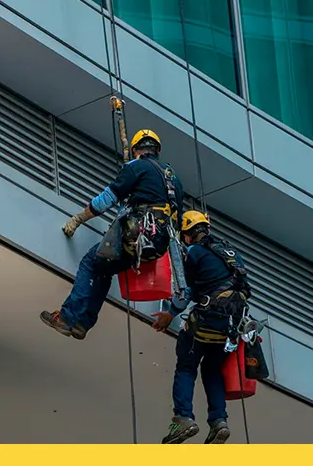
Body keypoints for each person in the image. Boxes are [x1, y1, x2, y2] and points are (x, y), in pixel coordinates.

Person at [40, 129, 184, 340]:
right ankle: (83, 323)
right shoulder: (174, 180)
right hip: (155, 246)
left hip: (133, 238)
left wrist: (78, 219)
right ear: (157, 150)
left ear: (136, 149)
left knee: (90, 262)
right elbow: (177, 223)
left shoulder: (136, 167)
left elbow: (107, 199)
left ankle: (66, 317)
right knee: (104, 270)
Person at [151, 210, 252, 445]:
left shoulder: (195, 252)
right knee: (212, 370)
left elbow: (185, 292)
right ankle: (219, 422)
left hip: (206, 322)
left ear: (187, 235)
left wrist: (170, 314)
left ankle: (183, 418)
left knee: (186, 367)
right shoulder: (232, 254)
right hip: (231, 328)